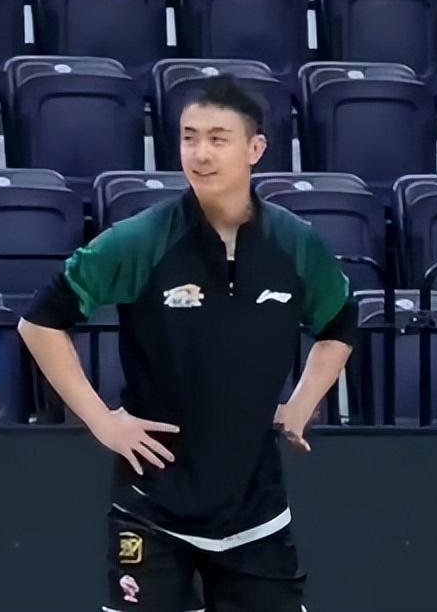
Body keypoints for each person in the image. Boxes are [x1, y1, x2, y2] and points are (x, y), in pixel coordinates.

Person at [18, 75, 356, 612]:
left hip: (255, 511)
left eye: (218, 139)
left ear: (255, 148)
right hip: (151, 507)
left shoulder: (295, 244)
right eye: (189, 137)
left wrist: (302, 403)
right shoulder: (141, 239)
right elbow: (39, 323)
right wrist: (102, 421)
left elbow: (340, 324)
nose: (200, 153)